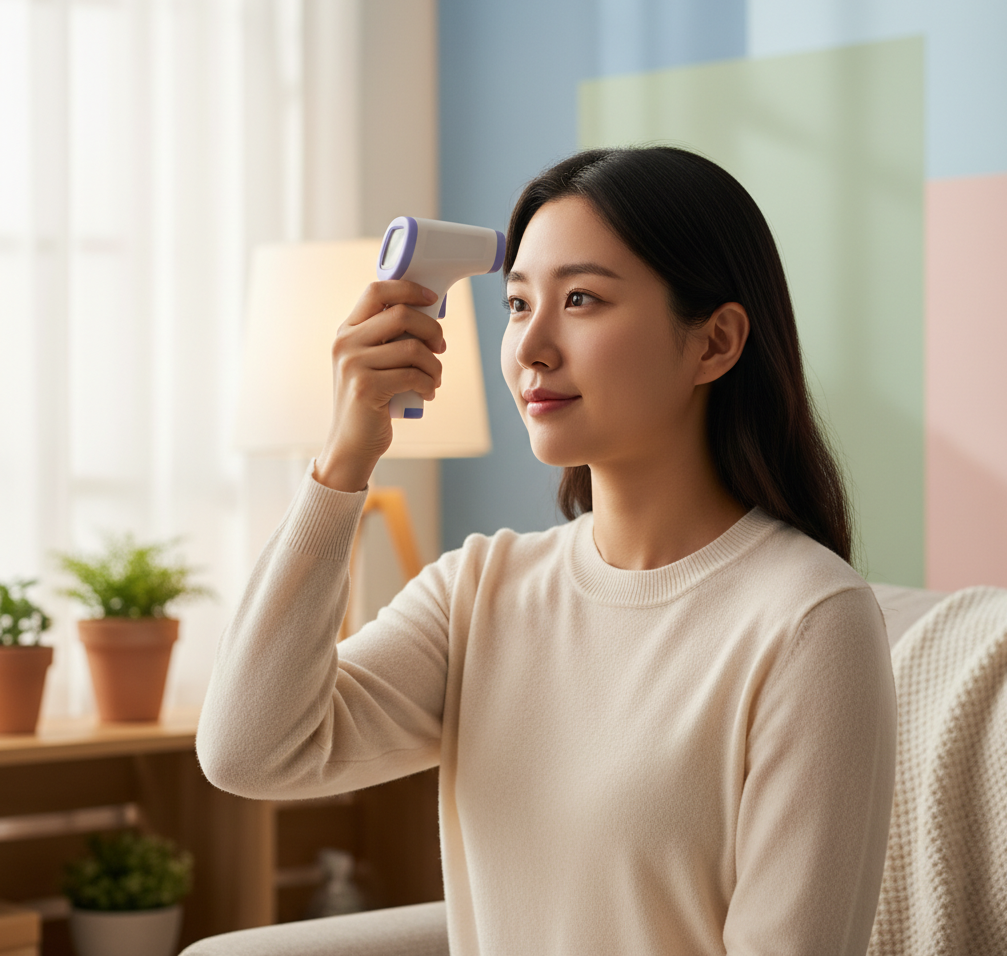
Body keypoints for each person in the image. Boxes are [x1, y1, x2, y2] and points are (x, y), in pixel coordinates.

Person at [198, 147, 897, 956]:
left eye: (581, 300)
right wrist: (344, 458)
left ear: (715, 343)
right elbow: (250, 752)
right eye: (518, 303)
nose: (532, 345)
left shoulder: (810, 623)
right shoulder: (479, 591)